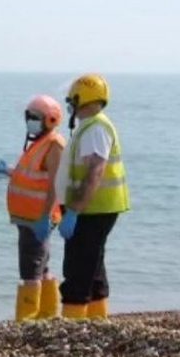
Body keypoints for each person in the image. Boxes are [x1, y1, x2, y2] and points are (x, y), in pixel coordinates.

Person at [54, 74, 129, 320]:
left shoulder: (96, 129)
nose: (69, 105)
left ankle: (73, 322)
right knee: (93, 265)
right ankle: (98, 320)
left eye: (72, 100)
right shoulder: (92, 126)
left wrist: (74, 210)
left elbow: (95, 171)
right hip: (94, 209)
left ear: (81, 98)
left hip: (93, 210)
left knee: (78, 267)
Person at [0, 95, 66, 322]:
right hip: (29, 217)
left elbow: (57, 183)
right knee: (41, 265)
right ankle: (46, 314)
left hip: (38, 218)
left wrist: (45, 217)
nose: (30, 122)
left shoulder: (54, 145)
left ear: (50, 120)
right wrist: (9, 172)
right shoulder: (39, 144)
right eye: (29, 117)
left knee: (30, 269)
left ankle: (28, 318)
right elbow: (34, 177)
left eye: (35, 118)